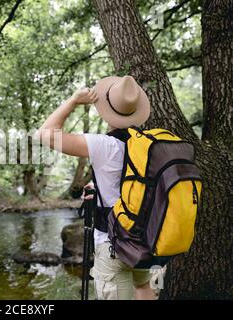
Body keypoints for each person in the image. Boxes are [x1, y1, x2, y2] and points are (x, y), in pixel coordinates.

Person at [36, 75, 156, 300]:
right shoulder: (148, 143)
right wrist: (99, 187)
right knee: (142, 287)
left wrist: (73, 100)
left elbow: (45, 134)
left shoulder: (105, 145)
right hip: (145, 236)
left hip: (113, 242)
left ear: (106, 109)